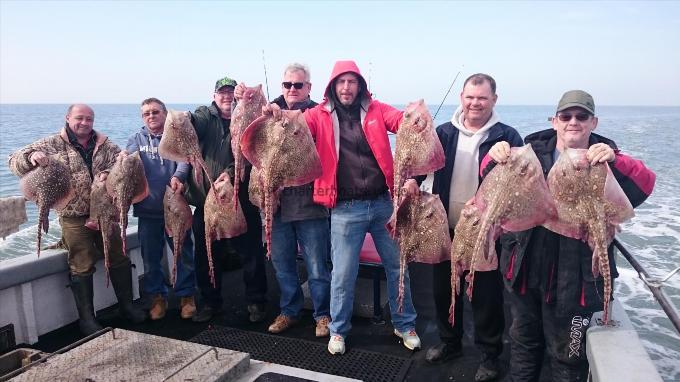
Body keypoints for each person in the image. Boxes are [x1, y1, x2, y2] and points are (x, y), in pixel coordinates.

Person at [487, 90, 656, 381]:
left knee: (568, 357)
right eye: (566, 116)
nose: (573, 122)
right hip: (524, 269)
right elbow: (489, 181)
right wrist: (495, 156)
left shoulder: (608, 158)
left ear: (594, 122)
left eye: (582, 116)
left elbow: (645, 182)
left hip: (576, 280)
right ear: (554, 121)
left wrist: (615, 161)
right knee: (522, 345)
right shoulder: (530, 152)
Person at [268, 60, 421, 355]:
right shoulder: (319, 114)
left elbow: (402, 122)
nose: (347, 87)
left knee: (398, 267)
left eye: (352, 82)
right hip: (344, 208)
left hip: (383, 203)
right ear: (332, 87)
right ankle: (338, 330)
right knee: (342, 273)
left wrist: (415, 116)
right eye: (341, 82)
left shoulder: (377, 110)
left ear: (360, 85)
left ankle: (404, 324)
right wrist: (276, 114)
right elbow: (294, 122)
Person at [8, 104, 147, 335]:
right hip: (73, 215)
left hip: (105, 211)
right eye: (79, 118)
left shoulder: (106, 145)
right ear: (68, 118)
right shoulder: (51, 144)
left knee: (119, 257)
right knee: (81, 263)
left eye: (89, 119)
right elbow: (13, 160)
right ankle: (87, 319)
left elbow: (122, 165)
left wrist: (122, 159)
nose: (84, 123)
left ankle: (127, 306)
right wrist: (31, 157)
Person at [422, 73, 522, 382]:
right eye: (469, 96)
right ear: (461, 98)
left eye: (481, 97)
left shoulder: (508, 135)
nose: (475, 103)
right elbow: (422, 167)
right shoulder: (443, 132)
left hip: (484, 232)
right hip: (445, 227)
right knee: (443, 291)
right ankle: (450, 343)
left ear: (494, 99)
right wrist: (411, 185)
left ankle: (489, 356)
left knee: (484, 298)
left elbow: (520, 183)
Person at [236, 63, 332, 337]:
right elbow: (241, 129)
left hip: (309, 203)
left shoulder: (319, 113)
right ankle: (289, 310)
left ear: (308, 88)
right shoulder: (268, 110)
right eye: (287, 84)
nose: (292, 89)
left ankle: (322, 314)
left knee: (316, 264)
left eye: (298, 85)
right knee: (282, 263)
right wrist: (243, 98)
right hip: (273, 202)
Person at [185, 76, 268, 323]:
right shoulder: (204, 116)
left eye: (231, 92)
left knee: (251, 252)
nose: (226, 97)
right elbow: (193, 123)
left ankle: (256, 301)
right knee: (206, 253)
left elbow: (257, 143)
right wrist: (183, 120)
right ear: (214, 96)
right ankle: (210, 302)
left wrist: (232, 174)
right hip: (206, 199)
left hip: (240, 196)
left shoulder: (246, 115)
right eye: (221, 93)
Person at [124, 97, 196, 320]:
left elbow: (185, 159)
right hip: (148, 210)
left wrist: (178, 176)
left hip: (175, 207)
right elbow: (128, 163)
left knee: (182, 253)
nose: (151, 116)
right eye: (146, 113)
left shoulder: (174, 134)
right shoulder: (136, 139)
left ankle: (187, 296)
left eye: (155, 112)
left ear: (165, 114)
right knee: (151, 257)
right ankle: (157, 298)